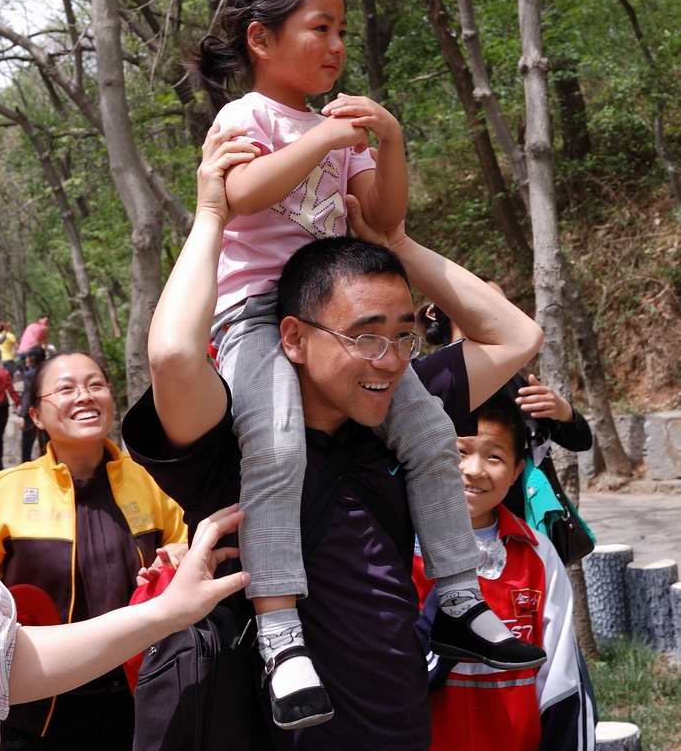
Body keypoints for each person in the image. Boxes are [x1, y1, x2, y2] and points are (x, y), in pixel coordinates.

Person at [189, 0, 544, 729]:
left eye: (343, 30)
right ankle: (281, 635)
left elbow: (379, 219)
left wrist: (388, 140)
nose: (337, 45)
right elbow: (237, 194)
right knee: (277, 447)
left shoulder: (331, 125)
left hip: (339, 321)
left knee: (424, 429)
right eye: (320, 28)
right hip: (256, 314)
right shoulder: (244, 119)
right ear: (260, 39)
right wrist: (321, 141)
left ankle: (456, 595)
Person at [122, 127, 544, 749]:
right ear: (292, 337)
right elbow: (172, 355)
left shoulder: (402, 409)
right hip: (266, 729)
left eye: (404, 335)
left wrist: (395, 241)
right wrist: (212, 216)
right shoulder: (231, 436)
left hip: (397, 723)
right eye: (365, 335)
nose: (389, 358)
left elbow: (515, 336)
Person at [0, 351, 189, 751]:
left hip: (142, 699)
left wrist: (179, 559)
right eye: (66, 389)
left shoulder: (150, 479)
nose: (85, 396)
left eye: (95, 385)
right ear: (37, 416)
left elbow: (185, 550)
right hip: (40, 710)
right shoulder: (4, 491)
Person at [414, 391, 596, 751]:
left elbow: (559, 682)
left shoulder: (537, 555)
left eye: (494, 456)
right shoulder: (400, 550)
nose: (474, 469)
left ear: (516, 471)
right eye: (460, 452)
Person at [0, 507, 248, 721]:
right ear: (40, 432)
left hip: (134, 694)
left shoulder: (144, 478)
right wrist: (167, 611)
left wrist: (174, 562)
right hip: (39, 710)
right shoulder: (6, 489)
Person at [417, 298, 593, 559]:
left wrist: (564, 413)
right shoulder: (428, 378)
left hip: (517, 533)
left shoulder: (515, 380)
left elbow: (580, 440)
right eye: (489, 301)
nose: (500, 312)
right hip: (441, 539)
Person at [18, 346, 45, 463]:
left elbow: (27, 395)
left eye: (28, 357)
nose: (26, 359)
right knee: (45, 441)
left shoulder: (30, 374)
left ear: (33, 359)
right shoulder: (48, 371)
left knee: (27, 444)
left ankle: (26, 468)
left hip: (32, 412)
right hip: (47, 409)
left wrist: (22, 415)